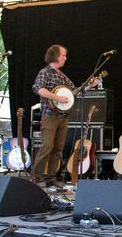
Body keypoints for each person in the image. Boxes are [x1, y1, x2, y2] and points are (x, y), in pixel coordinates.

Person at [32, 44, 97, 188]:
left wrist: (88, 86)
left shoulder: (62, 75)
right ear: (55, 56)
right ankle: (36, 176)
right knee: (47, 146)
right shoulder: (45, 72)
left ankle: (50, 178)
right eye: (63, 55)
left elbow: (74, 91)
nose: (65, 58)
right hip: (50, 115)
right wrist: (57, 97)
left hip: (63, 116)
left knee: (58, 148)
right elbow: (39, 89)